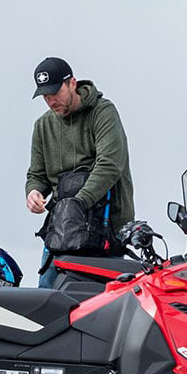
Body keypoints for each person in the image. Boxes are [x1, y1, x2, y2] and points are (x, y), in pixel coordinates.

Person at [25, 57, 134, 286]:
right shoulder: (42, 126)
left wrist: (77, 203)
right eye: (45, 96)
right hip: (62, 230)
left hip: (106, 228)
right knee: (48, 301)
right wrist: (34, 192)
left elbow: (110, 165)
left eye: (55, 92)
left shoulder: (103, 113)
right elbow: (37, 174)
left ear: (72, 83)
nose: (51, 100)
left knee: (104, 307)